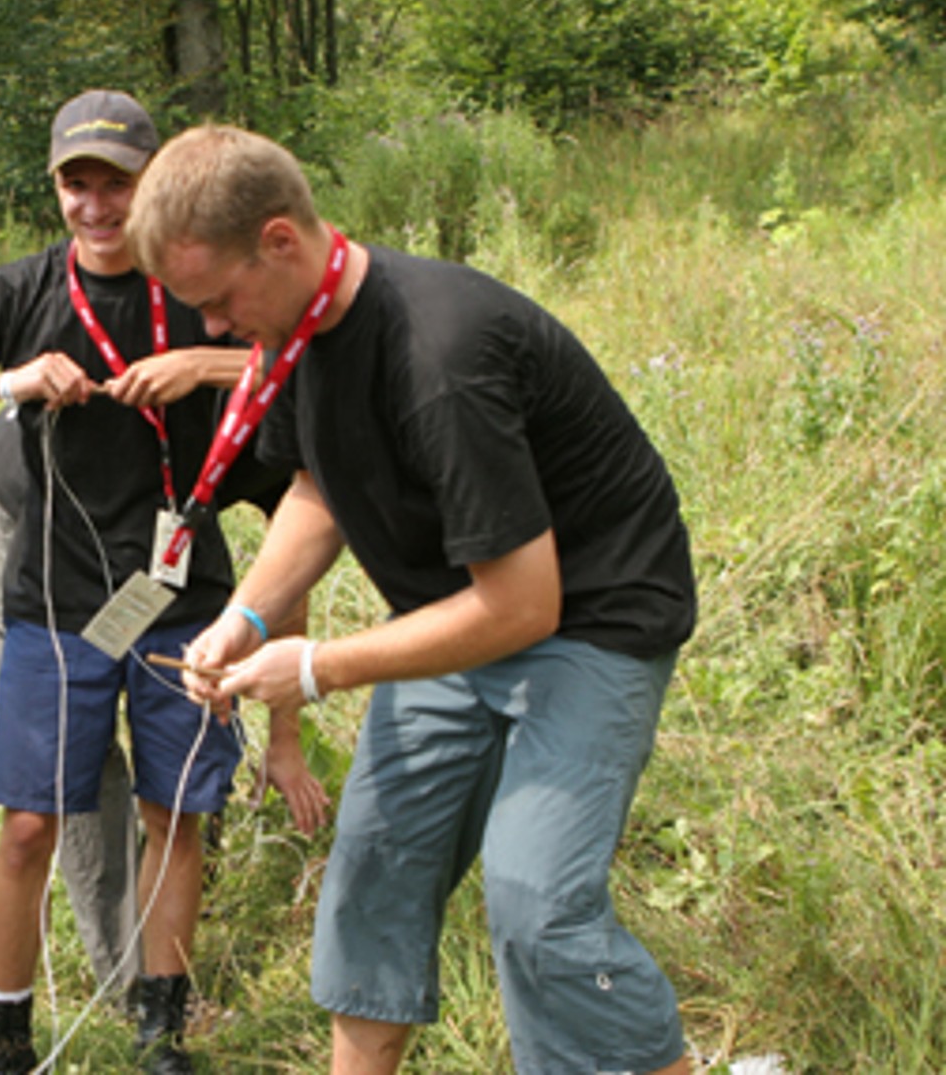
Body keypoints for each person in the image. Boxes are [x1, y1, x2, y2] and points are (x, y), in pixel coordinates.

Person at [126, 124, 698, 1075]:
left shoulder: (441, 356)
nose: (214, 331)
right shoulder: (298, 332)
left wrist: (316, 667)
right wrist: (247, 616)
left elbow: (523, 609)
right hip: (457, 614)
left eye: (218, 302)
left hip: (588, 622)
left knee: (539, 907)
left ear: (280, 240)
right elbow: (317, 488)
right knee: (372, 885)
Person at [0, 90, 325, 1074]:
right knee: (29, 825)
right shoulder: (23, 292)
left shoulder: (202, 295)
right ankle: (9, 1037)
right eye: (78, 183)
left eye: (118, 183)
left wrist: (203, 364)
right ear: (55, 185)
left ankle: (159, 1028)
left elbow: (299, 481)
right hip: (56, 608)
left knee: (174, 814)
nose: (97, 205)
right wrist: (4, 382)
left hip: (185, 606)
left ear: (153, 185)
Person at [0, 412, 142, 1007]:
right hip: (26, 501)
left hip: (141, 523)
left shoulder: (250, 399)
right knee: (75, 739)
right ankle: (129, 980)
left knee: (176, 705)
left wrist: (283, 731)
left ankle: (165, 938)